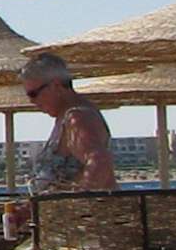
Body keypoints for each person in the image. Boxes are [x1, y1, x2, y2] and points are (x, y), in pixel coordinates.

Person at [20, 52, 116, 196]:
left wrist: (75, 202)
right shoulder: (66, 117)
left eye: (33, 94)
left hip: (82, 210)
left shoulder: (77, 117)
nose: (32, 101)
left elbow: (99, 162)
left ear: (56, 85)